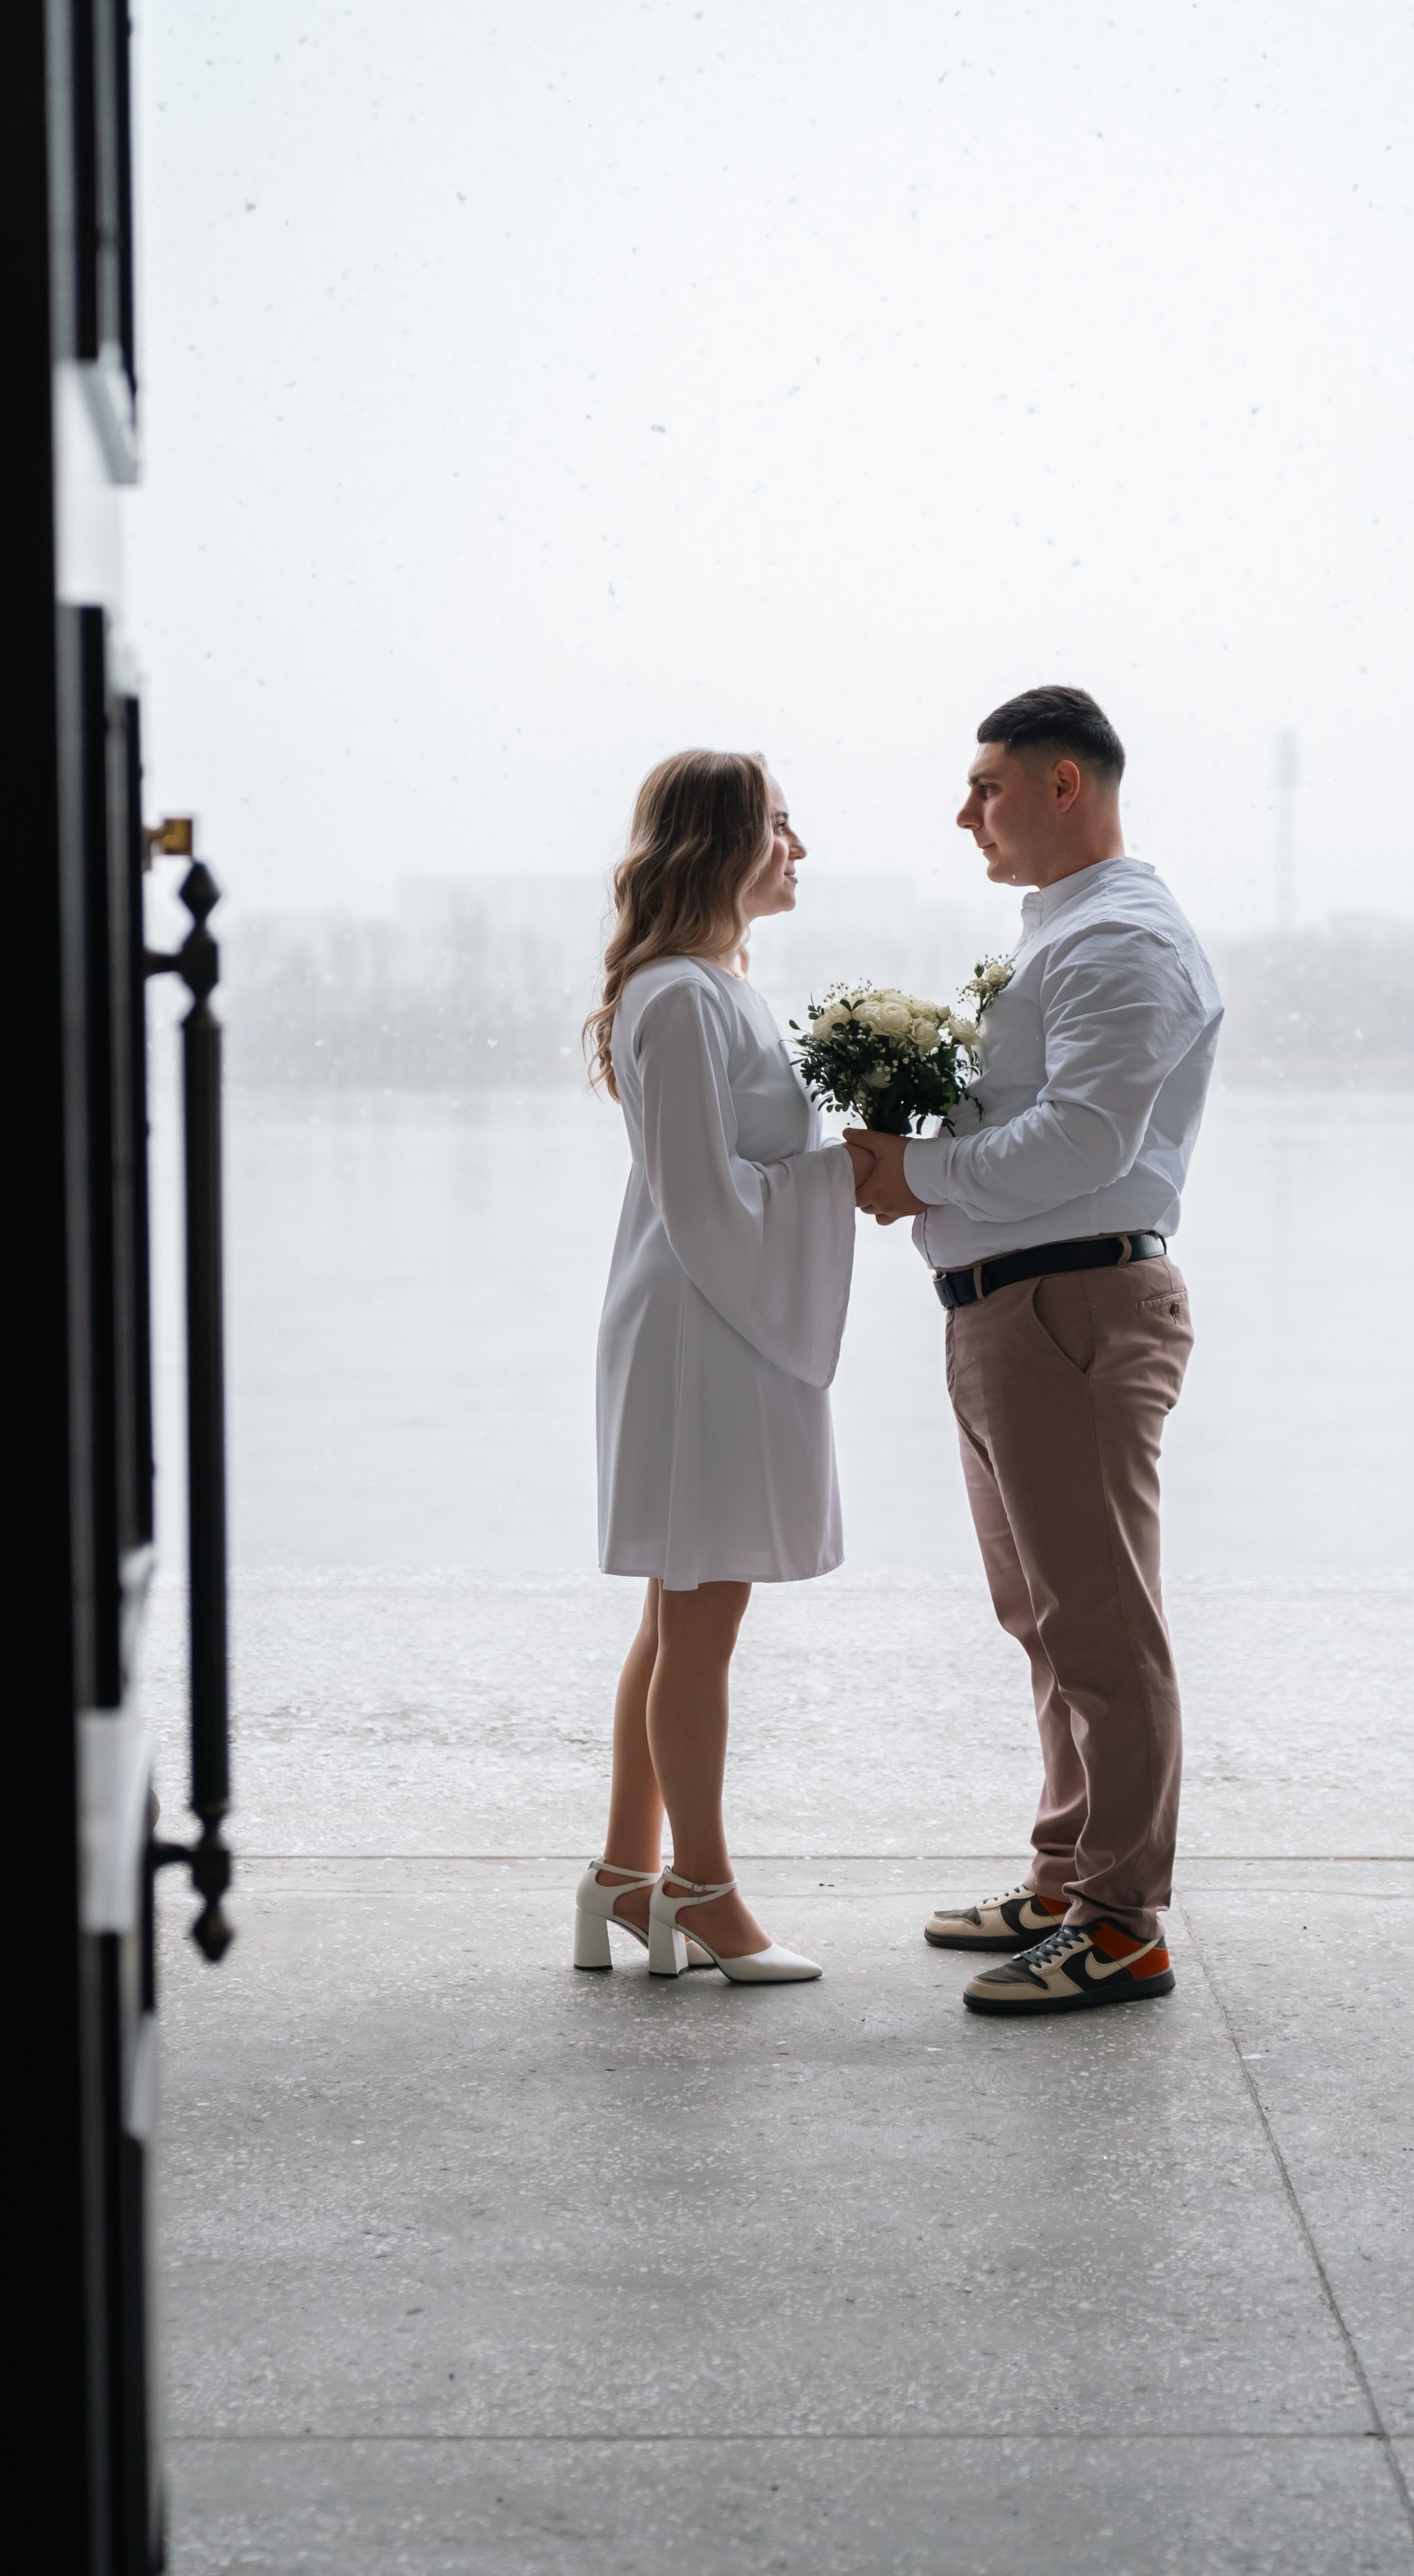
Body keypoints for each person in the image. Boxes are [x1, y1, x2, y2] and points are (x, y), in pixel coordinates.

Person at [846, 686, 1222, 2018]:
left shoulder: (1123, 940)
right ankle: (1070, 1878)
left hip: (1072, 1312)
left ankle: (1122, 1924)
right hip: (1016, 1310)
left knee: (1102, 1627)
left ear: (1068, 784)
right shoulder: (1067, 931)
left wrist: (917, 1168)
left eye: (987, 786)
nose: (966, 814)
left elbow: (1084, 1142)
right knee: (1049, 1619)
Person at [578, 749, 855, 1986]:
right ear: (721, 844)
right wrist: (847, 1176)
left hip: (704, 1318)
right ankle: (704, 1890)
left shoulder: (709, 986)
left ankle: (622, 1877)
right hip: (704, 1331)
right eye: (781, 827)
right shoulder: (685, 997)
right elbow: (705, 1200)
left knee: (674, 1611)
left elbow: (712, 1186)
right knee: (701, 1622)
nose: (800, 849)